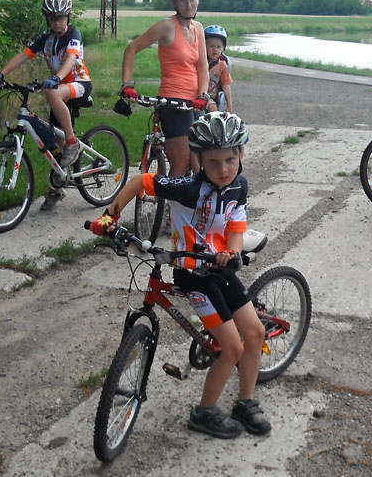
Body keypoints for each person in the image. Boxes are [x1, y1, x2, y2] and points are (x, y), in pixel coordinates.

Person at [88, 112, 271, 439]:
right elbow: (140, 182)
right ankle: (204, 413)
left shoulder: (239, 185)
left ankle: (246, 402)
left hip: (220, 269)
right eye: (213, 162)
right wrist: (109, 217)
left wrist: (230, 253)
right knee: (232, 348)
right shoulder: (189, 188)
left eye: (230, 159)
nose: (224, 169)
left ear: (241, 154)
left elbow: (236, 227)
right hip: (192, 274)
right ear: (198, 160)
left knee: (255, 333)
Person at [0, 0, 92, 211]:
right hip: (59, 88)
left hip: (79, 83)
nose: (57, 22)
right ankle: (56, 188)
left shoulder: (73, 34)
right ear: (47, 19)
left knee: (52, 95)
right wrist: (1, 74)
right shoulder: (45, 39)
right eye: (52, 18)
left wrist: (57, 78)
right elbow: (23, 55)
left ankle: (73, 142)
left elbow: (71, 58)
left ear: (68, 17)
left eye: (61, 17)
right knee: (54, 140)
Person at [120, 0, 209, 177]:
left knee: (201, 161)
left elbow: (203, 66)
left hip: (195, 102)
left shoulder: (198, 28)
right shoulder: (167, 26)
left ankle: (196, 197)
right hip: (173, 102)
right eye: (182, 0)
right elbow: (131, 49)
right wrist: (127, 84)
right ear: (174, 3)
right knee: (181, 163)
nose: (188, 5)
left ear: (198, 0)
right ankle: (171, 197)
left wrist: (203, 94)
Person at [203, 25, 234, 113]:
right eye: (211, 46)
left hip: (209, 98)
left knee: (212, 109)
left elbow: (226, 86)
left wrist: (229, 106)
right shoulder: (198, 62)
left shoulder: (222, 66)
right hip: (194, 94)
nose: (215, 50)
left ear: (223, 48)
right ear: (203, 46)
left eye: (218, 47)